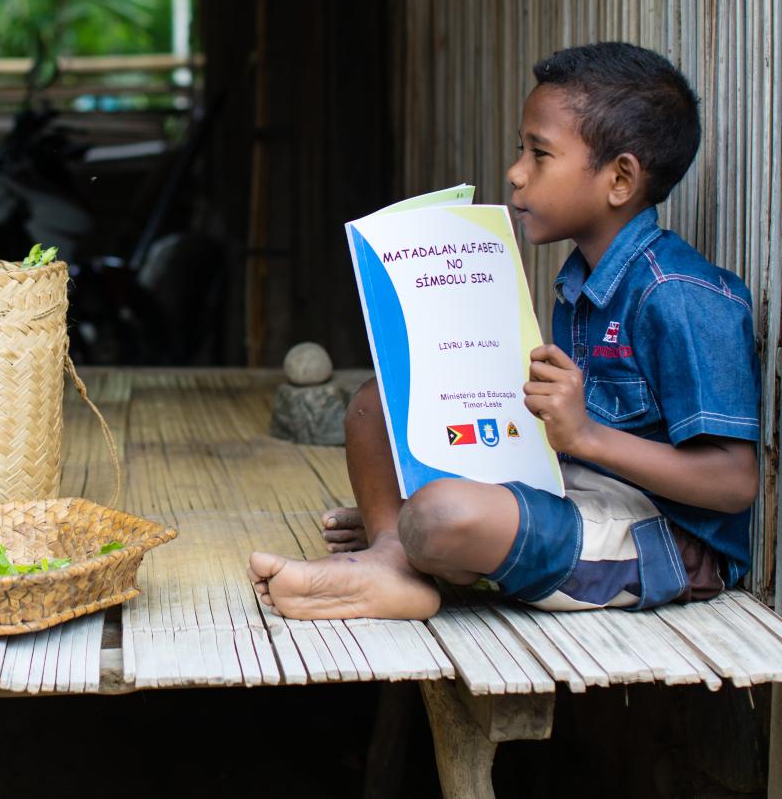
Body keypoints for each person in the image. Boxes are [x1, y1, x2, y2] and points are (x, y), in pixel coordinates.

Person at [250, 42, 759, 619]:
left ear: (620, 179)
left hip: (663, 538)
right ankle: (396, 555)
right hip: (578, 488)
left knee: (443, 515)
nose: (516, 174)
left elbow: (734, 482)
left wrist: (586, 436)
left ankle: (413, 540)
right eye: (522, 150)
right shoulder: (583, 283)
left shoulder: (681, 296)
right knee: (376, 407)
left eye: (539, 154)